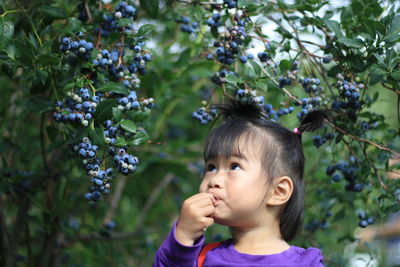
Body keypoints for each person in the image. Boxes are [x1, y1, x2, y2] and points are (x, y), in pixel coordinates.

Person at [152, 100, 326, 266]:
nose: (214, 180)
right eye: (211, 167)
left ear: (278, 191)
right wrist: (182, 236)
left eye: (234, 166)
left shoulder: (306, 263)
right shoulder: (197, 259)